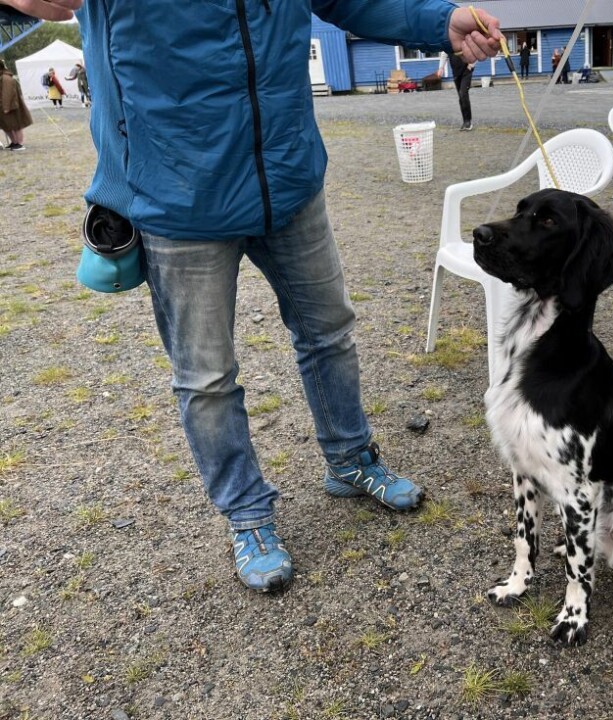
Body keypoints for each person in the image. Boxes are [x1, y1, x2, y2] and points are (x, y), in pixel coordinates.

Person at [8, 0, 501, 593]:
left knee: (329, 332)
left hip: (287, 178)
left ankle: (349, 461)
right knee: (206, 376)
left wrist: (437, 23)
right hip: (177, 197)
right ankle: (247, 513)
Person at [0, 59, 32, 150]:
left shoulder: (5, 78)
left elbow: (7, 93)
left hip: (9, 107)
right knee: (7, 126)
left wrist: (6, 107)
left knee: (15, 125)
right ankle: (14, 142)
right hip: (3, 107)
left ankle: (19, 143)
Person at [449, 51, 474, 131]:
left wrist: (471, 65)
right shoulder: (447, 42)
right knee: (460, 97)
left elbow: (474, 51)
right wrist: (441, 67)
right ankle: (464, 121)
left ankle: (468, 121)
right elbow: (444, 54)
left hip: (466, 70)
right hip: (456, 71)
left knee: (463, 93)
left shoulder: (464, 39)